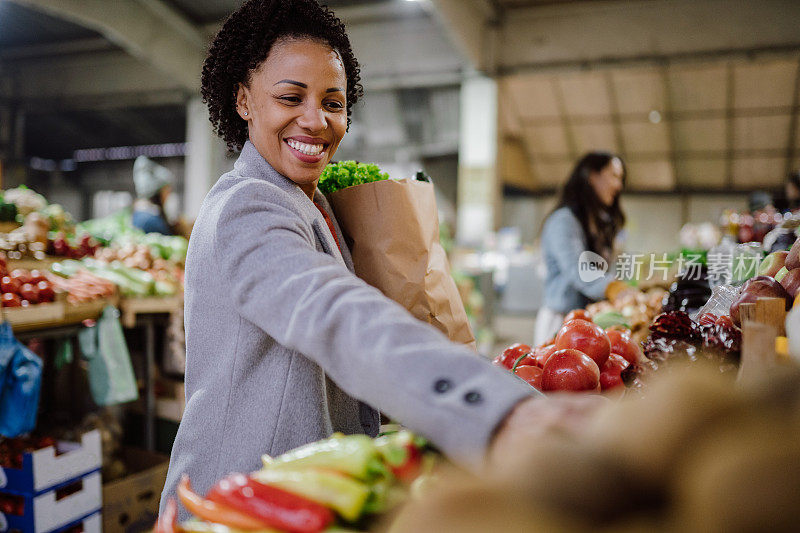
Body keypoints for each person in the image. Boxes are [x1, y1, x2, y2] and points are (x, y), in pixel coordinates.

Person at [159, 0, 586, 517]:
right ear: (244, 100)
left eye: (333, 103)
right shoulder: (247, 205)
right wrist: (493, 409)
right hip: (235, 503)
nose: (316, 121)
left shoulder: (311, 203)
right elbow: (333, 311)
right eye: (290, 97)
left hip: (299, 496)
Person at [534, 152, 628, 346]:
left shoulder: (593, 221)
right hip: (560, 322)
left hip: (583, 321)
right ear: (593, 177)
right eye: (614, 176)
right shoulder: (564, 221)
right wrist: (613, 287)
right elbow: (578, 269)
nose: (619, 185)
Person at [131, 155, 175, 235]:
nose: (168, 195)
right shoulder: (149, 221)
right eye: (167, 191)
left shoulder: (142, 214)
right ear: (157, 193)